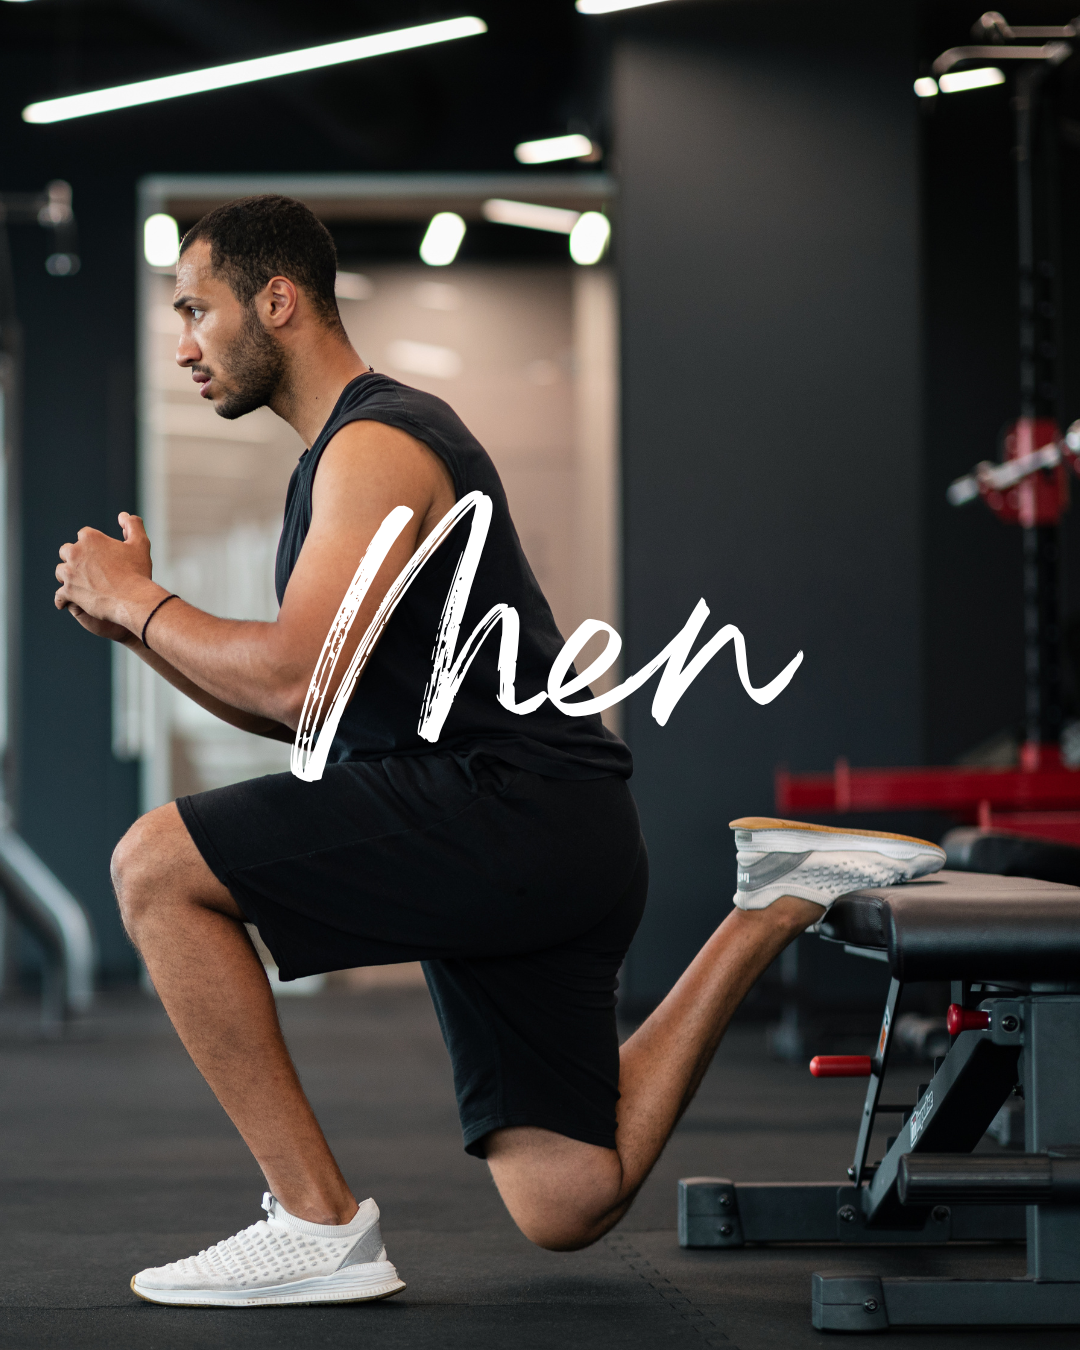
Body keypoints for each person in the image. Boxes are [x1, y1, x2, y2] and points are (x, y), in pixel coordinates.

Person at [54, 195, 946, 1309]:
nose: (183, 343)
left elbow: (293, 674)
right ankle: (771, 904)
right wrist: (134, 626)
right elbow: (307, 713)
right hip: (545, 827)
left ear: (276, 301)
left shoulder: (376, 444)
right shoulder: (342, 458)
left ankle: (316, 1224)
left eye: (196, 309)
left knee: (153, 864)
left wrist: (143, 605)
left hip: (505, 807)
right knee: (569, 1198)